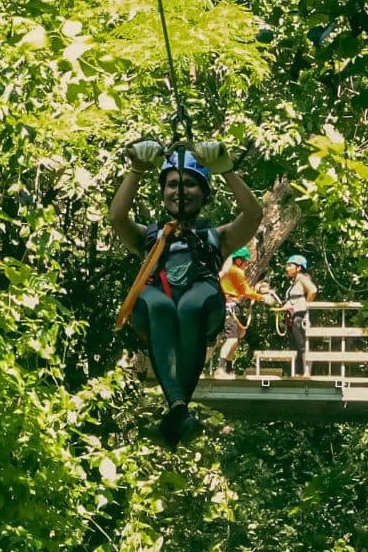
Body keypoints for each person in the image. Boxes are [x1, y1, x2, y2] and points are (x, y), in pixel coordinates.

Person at [106, 144, 264, 443]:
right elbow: (117, 217)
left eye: (190, 183)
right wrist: (137, 170)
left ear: (205, 193)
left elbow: (253, 214)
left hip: (202, 305)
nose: (180, 191)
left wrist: (225, 170)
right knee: (160, 305)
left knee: (191, 303)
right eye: (172, 184)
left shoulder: (218, 236)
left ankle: (177, 407)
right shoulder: (150, 236)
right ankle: (179, 409)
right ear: (163, 190)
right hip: (154, 307)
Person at [216, 246, 265, 374]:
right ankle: (220, 368)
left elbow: (240, 290)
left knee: (237, 337)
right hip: (230, 307)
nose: (247, 264)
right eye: (245, 261)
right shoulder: (236, 271)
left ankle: (229, 368)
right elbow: (246, 291)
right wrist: (261, 297)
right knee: (231, 339)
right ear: (238, 260)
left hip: (232, 305)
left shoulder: (229, 271)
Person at [280, 254, 320, 377]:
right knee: (297, 345)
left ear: (299, 268)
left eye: (290, 265)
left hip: (300, 315)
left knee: (302, 345)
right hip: (293, 316)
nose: (287, 268)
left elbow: (313, 290)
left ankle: (306, 372)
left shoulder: (302, 278)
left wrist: (305, 305)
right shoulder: (294, 282)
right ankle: (298, 372)